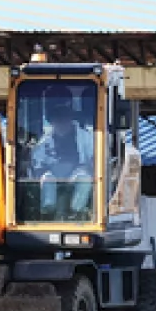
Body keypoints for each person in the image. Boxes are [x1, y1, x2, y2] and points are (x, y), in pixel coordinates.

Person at [33, 86, 95, 219]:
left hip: (77, 172)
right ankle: (48, 210)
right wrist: (43, 171)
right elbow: (37, 163)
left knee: (84, 179)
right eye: (57, 119)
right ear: (52, 121)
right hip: (54, 174)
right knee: (46, 179)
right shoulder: (44, 141)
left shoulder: (85, 137)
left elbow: (94, 159)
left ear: (70, 119)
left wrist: (88, 168)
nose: (61, 122)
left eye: (64, 118)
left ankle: (76, 210)